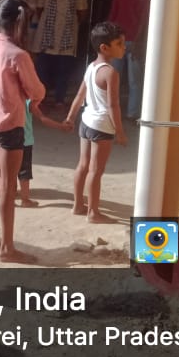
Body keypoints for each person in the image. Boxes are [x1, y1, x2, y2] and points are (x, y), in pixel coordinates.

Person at [0, 0, 45, 263]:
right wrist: (35, 97)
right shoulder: (18, 55)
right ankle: (7, 248)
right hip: (11, 124)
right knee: (7, 186)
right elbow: (36, 90)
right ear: (20, 22)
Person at [65, 21, 129, 224]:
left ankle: (78, 205)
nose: (124, 47)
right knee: (96, 171)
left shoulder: (91, 67)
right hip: (102, 127)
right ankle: (93, 213)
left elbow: (79, 95)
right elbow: (113, 106)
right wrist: (120, 132)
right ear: (105, 47)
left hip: (86, 122)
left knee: (83, 165)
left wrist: (70, 117)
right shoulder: (111, 73)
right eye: (119, 44)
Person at [31, 0, 88, 111]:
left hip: (66, 42)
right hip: (45, 40)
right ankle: (41, 100)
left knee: (63, 72)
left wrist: (68, 27)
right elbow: (39, 10)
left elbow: (82, 14)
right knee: (42, 71)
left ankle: (59, 100)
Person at [107, 0, 151, 120]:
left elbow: (144, 19)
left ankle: (132, 114)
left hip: (134, 41)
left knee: (135, 80)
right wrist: (108, 35)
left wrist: (138, 42)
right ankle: (111, 111)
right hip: (117, 39)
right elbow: (114, 11)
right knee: (113, 78)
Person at [16, 98, 70, 208]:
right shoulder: (28, 102)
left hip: (8, 140)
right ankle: (25, 200)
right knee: (24, 172)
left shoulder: (9, 97)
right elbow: (43, 119)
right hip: (25, 141)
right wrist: (61, 126)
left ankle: (8, 197)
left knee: (9, 170)